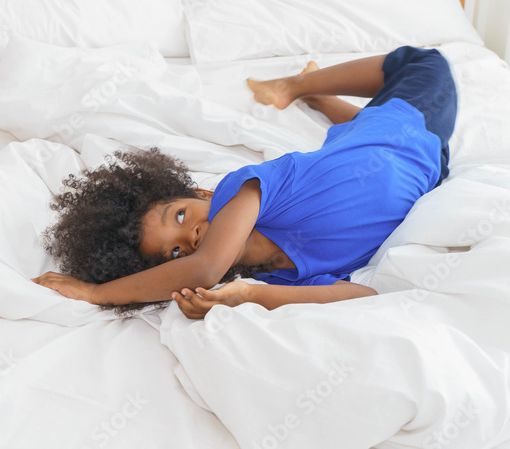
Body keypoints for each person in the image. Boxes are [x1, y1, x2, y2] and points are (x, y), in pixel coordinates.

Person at [33, 46, 457, 319]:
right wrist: (250, 297)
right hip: (428, 171)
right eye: (174, 253)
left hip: (406, 130)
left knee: (425, 64)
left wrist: (97, 293)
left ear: (204, 193)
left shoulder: (248, 188)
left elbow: (206, 266)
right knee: (356, 134)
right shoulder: (278, 279)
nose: (190, 237)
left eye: (179, 216)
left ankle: (298, 85)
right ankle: (323, 102)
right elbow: (361, 299)